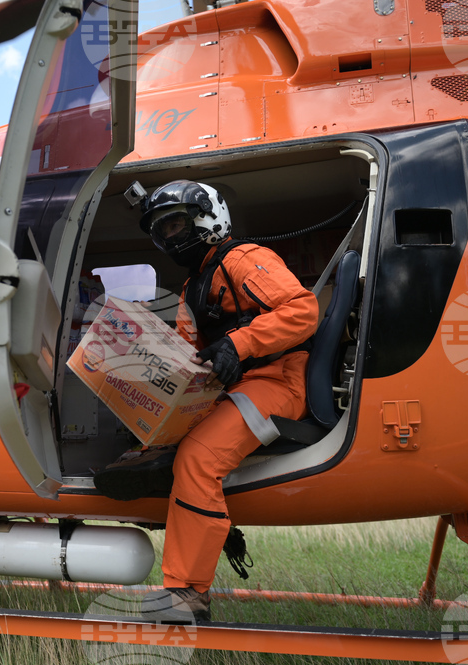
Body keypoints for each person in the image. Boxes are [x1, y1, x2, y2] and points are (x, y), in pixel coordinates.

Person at [134, 180, 319, 623]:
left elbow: (302, 310)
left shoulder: (243, 259)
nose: (170, 236)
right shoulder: (190, 288)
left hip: (276, 383)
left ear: (206, 217)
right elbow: (186, 357)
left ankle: (187, 594)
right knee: (164, 448)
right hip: (229, 390)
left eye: (176, 223)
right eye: (162, 230)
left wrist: (239, 344)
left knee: (197, 458)